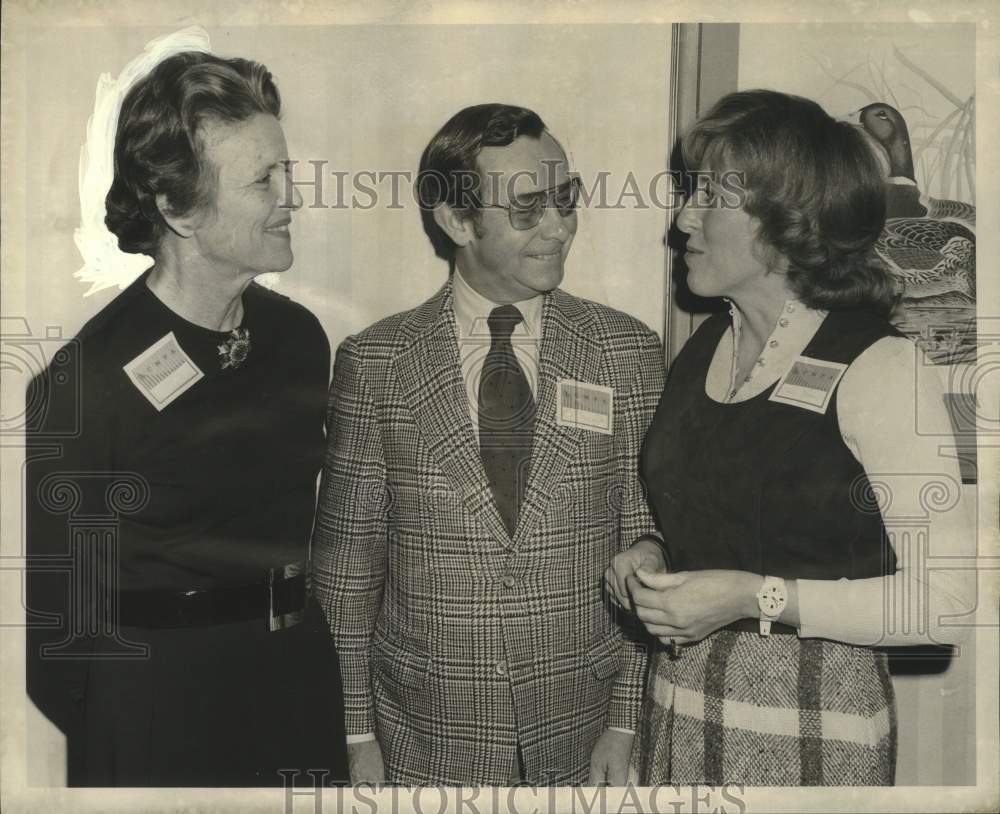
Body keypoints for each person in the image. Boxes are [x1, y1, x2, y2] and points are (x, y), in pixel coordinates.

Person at [606, 89, 976, 786]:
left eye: (710, 195)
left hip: (810, 716)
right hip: (680, 705)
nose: (683, 219)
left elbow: (949, 603)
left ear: (784, 219)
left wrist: (756, 597)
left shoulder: (880, 366)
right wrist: (653, 553)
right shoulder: (703, 346)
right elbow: (724, 523)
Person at [311, 103, 665, 786]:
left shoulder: (626, 353)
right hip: (423, 740)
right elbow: (346, 572)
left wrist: (626, 721)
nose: (561, 227)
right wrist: (355, 735)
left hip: (585, 737)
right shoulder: (377, 363)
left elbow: (650, 540)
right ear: (456, 220)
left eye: (567, 199)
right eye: (529, 209)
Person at [25, 50, 347, 787]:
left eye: (286, 170)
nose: (292, 197)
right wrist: (130, 738)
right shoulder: (85, 381)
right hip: (158, 720)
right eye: (264, 180)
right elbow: (54, 644)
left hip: (295, 693)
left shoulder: (299, 341)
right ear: (178, 208)